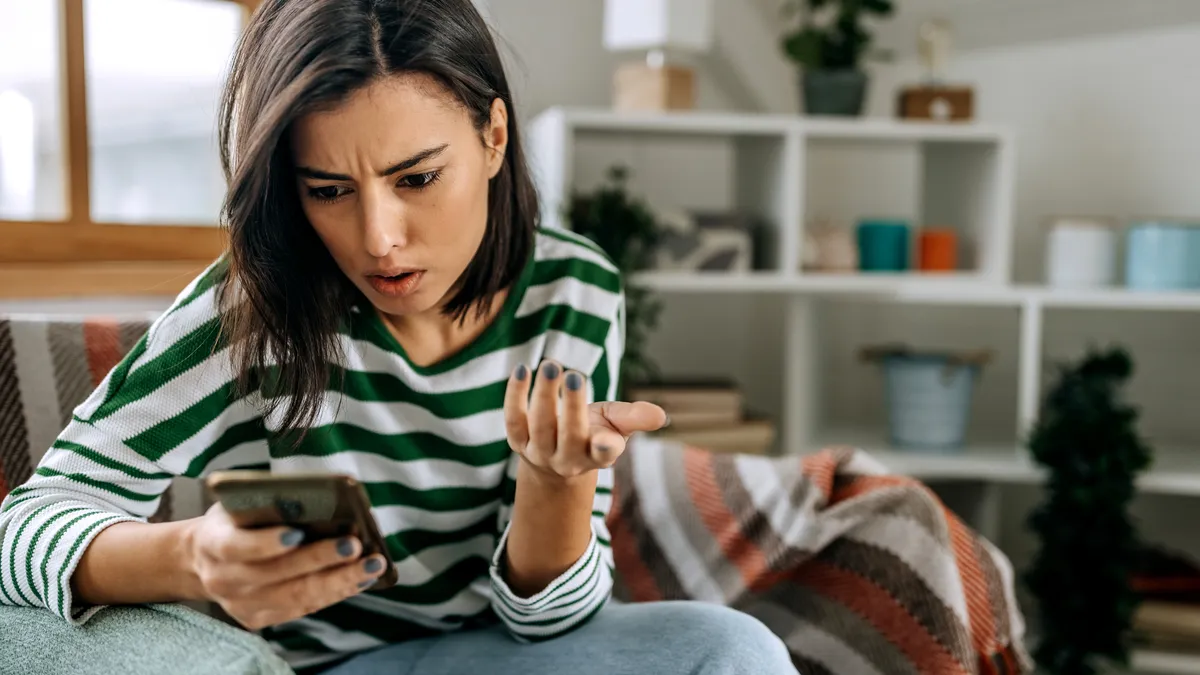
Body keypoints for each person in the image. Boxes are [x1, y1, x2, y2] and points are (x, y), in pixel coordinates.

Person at [0, 0, 798, 673]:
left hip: (502, 652)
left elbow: (552, 622)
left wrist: (554, 483)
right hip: (328, 664)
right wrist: (190, 556)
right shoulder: (252, 309)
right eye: (330, 190)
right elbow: (25, 528)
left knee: (735, 649)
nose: (379, 238)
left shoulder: (575, 290)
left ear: (493, 137)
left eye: (416, 178)